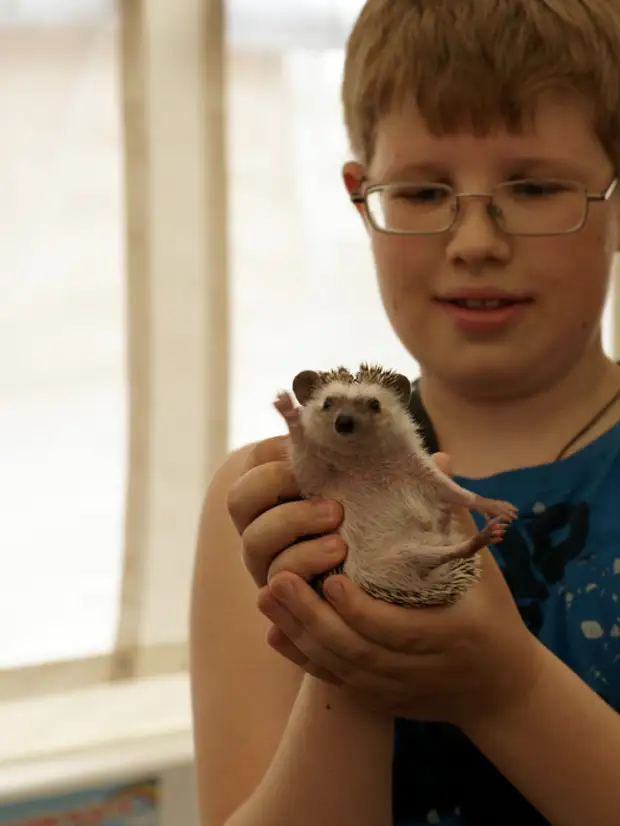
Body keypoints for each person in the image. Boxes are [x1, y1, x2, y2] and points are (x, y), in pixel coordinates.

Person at [189, 1, 620, 824]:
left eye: (532, 187)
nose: (475, 242)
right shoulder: (266, 501)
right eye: (423, 192)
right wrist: (344, 646)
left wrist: (508, 691)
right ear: (361, 198)